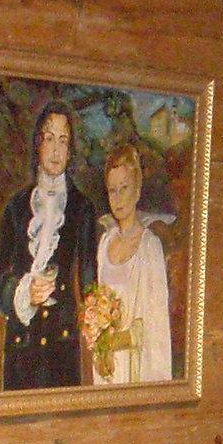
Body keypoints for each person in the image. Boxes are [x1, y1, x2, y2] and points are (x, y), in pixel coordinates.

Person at [0, 101, 97, 390]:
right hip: (20, 346)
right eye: (49, 138)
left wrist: (96, 317)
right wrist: (24, 292)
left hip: (62, 348)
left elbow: (90, 283)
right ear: (38, 143)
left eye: (63, 141)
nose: (56, 150)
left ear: (70, 150)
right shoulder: (15, 208)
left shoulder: (82, 208)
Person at [92, 141, 173, 385]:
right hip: (107, 364)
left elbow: (156, 325)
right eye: (112, 190)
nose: (118, 198)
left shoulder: (149, 247)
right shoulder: (105, 243)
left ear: (137, 191)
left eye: (124, 188)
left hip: (136, 364)